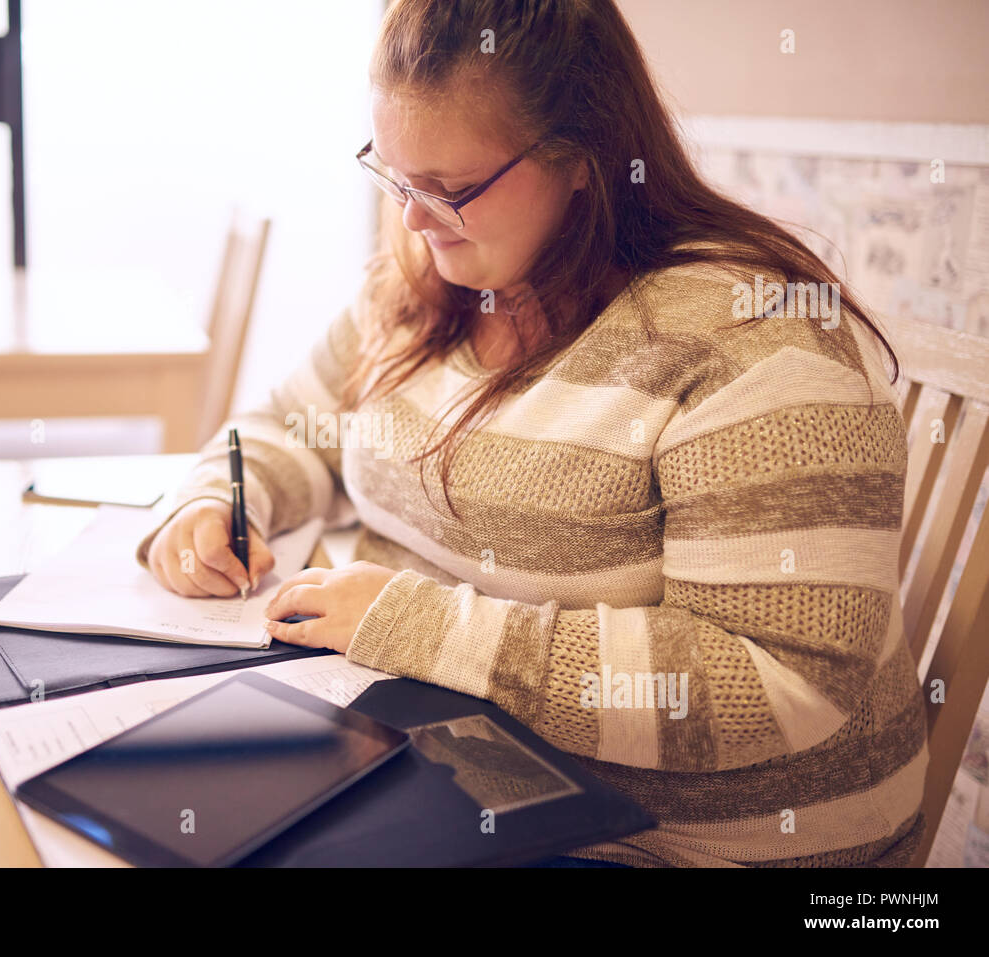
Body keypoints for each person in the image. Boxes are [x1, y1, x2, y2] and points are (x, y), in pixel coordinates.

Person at [135, 0, 927, 868]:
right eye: (395, 178)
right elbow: (293, 423)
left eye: (448, 189)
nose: (412, 220)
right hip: (445, 767)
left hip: (674, 842)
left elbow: (782, 679)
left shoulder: (750, 339)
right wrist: (216, 499)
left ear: (583, 159)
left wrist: (422, 627)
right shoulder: (426, 280)